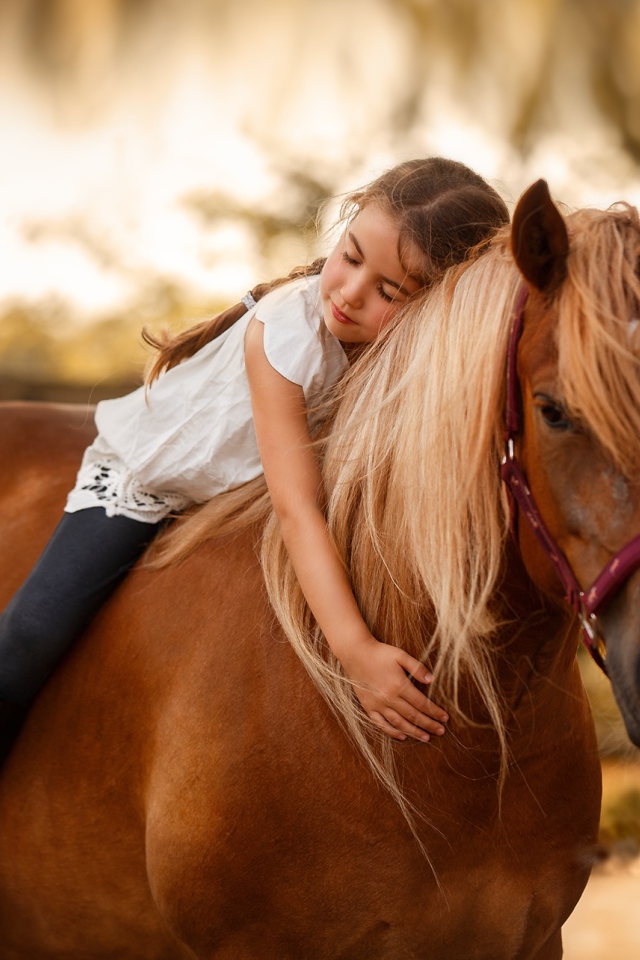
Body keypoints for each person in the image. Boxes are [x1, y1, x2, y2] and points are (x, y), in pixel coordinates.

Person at [0, 157, 509, 764]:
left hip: (243, 489)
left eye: (388, 291)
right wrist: (356, 652)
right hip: (145, 478)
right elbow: (298, 509)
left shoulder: (405, 355)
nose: (348, 294)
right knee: (33, 633)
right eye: (349, 258)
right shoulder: (286, 332)